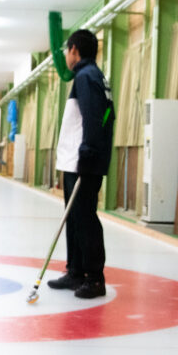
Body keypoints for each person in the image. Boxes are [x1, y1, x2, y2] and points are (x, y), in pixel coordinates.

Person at [48, 29, 115, 299]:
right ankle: (76, 271)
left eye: (67, 50)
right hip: (77, 159)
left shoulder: (87, 77)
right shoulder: (94, 76)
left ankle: (95, 278)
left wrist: (88, 150)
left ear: (74, 50)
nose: (66, 55)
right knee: (74, 217)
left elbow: (97, 115)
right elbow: (109, 114)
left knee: (85, 219)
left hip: (82, 161)